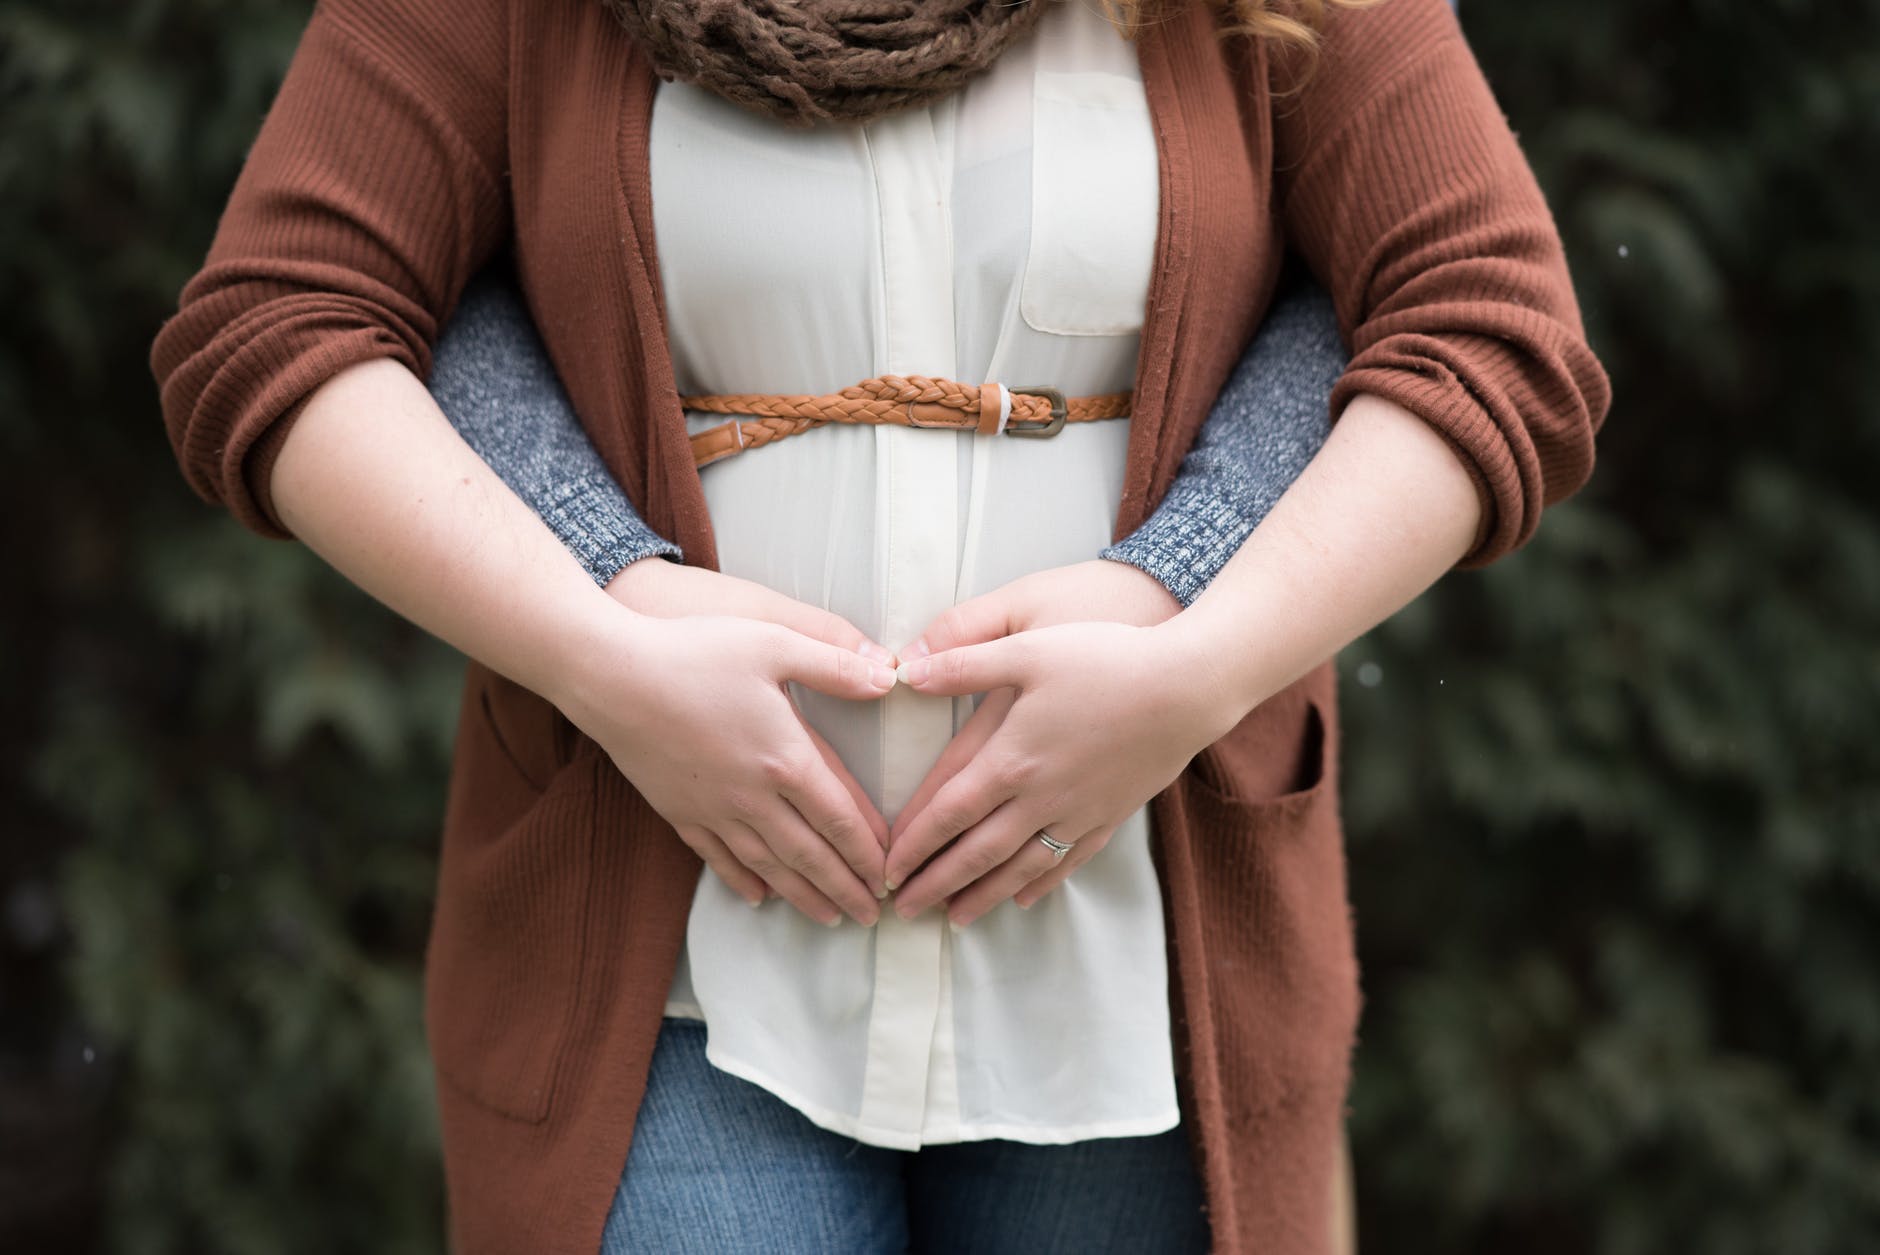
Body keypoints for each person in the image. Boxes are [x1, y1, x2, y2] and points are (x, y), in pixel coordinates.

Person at [149, 1, 1609, 1252]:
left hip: (1132, 958)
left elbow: (1490, 328)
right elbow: (286, 322)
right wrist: (608, 637)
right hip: (671, 969)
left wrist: (1191, 654)